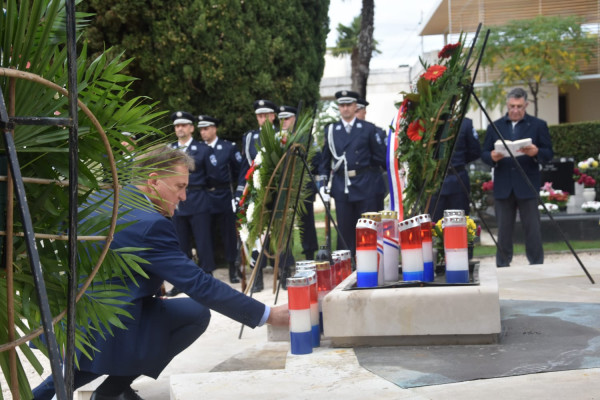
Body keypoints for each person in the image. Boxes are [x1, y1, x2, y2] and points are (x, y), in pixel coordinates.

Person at [32, 146, 289, 400]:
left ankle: (83, 392)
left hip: (62, 316)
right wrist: (267, 315)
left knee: (73, 369)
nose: (185, 196)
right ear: (153, 182)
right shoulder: (149, 223)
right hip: (103, 323)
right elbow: (200, 285)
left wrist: (147, 295)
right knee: (195, 314)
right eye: (179, 186)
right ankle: (107, 392)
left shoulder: (103, 198)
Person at [481, 88, 553, 268]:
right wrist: (492, 157)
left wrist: (536, 152)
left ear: (526, 105)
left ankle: (536, 264)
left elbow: (549, 153)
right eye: (512, 106)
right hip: (504, 186)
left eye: (519, 107)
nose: (515, 110)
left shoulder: (538, 125)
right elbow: (483, 153)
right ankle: (503, 266)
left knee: (533, 230)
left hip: (527, 184)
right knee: (504, 231)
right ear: (507, 104)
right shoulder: (495, 126)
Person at [318, 90, 386, 256]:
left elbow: (379, 157)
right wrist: (322, 184)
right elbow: (325, 160)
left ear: (355, 107)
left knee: (367, 229)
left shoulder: (367, 128)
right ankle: (346, 269)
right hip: (342, 186)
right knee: (345, 230)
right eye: (342, 105)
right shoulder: (332, 130)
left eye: (349, 105)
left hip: (365, 184)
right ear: (338, 108)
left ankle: (370, 265)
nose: (346, 108)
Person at [235, 99, 277, 292]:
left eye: (266, 115)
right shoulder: (250, 137)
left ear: (273, 116)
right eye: (259, 116)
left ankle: (283, 274)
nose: (262, 119)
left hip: (276, 189)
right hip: (255, 189)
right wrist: (238, 192)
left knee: (279, 230)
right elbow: (246, 165)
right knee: (255, 233)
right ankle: (257, 278)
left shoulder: (281, 135)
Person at [167, 112, 211, 297]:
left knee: (203, 240)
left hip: (198, 197)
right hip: (176, 202)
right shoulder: (169, 150)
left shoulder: (202, 149)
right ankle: (181, 282)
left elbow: (211, 176)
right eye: (177, 126)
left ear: (191, 128)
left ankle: (208, 277)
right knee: (180, 242)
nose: (180, 128)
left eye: (184, 125)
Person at [197, 115, 243, 283]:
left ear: (214, 129)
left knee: (229, 234)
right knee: (205, 235)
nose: (203, 132)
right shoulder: (198, 148)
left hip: (224, 194)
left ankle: (233, 268)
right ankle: (208, 271)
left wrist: (237, 193)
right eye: (201, 129)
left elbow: (239, 170)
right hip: (205, 195)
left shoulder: (228, 147)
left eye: (206, 128)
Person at [278, 105, 320, 260]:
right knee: (284, 224)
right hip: (284, 186)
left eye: (287, 118)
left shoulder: (306, 137)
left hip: (303, 186)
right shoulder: (276, 138)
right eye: (281, 118)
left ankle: (309, 253)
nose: (283, 121)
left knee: (306, 221)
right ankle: (286, 258)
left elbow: (316, 160)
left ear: (294, 119)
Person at [427, 117, 482, 222]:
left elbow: (475, 151)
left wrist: (458, 163)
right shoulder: (430, 121)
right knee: (434, 225)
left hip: (458, 180)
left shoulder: (465, 123)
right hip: (435, 181)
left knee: (459, 225)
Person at [356, 97, 387, 210]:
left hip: (373, 183)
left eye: (357, 111)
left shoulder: (376, 131)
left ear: (364, 111)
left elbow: (383, 158)